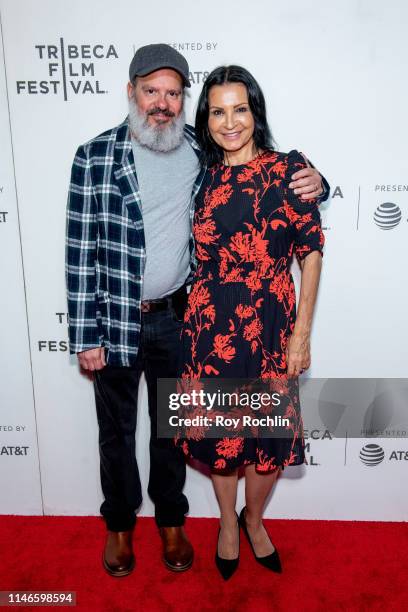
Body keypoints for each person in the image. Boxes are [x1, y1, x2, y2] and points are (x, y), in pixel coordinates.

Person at [65, 45, 328, 577]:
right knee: (120, 432)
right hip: (135, 322)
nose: (161, 103)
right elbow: (77, 251)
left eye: (173, 93)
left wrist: (319, 183)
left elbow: (303, 230)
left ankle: (185, 521)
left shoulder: (205, 154)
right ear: (132, 91)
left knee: (182, 433)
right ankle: (121, 526)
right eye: (151, 91)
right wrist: (82, 333)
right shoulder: (98, 156)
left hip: (200, 319)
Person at [177, 65, 325, 580]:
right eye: (217, 111)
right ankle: (224, 522)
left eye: (239, 108)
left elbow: (310, 253)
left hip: (271, 323)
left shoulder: (290, 170)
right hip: (209, 322)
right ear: (206, 119)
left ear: (255, 112)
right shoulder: (200, 172)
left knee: (268, 446)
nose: (229, 121)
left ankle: (254, 519)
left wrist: (301, 333)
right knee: (221, 440)